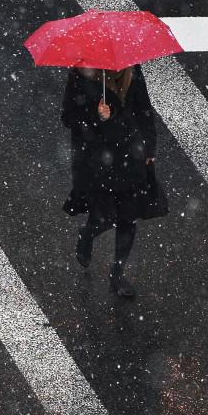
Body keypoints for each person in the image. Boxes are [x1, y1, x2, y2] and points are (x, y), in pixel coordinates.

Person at [61, 64, 167, 298]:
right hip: (97, 161)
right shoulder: (80, 74)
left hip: (130, 154)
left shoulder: (132, 69)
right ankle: (87, 233)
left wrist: (149, 146)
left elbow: (143, 108)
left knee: (128, 217)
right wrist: (95, 114)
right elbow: (68, 117)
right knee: (105, 218)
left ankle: (117, 274)